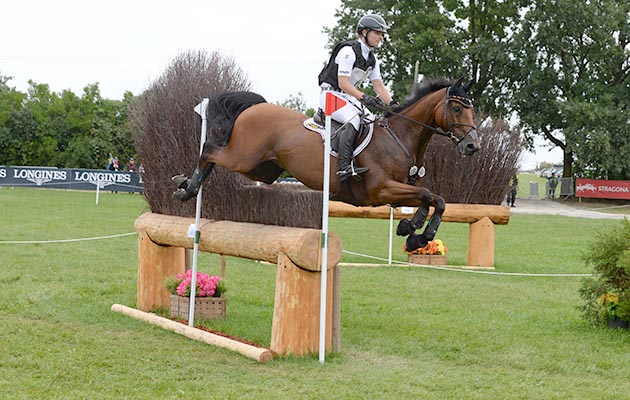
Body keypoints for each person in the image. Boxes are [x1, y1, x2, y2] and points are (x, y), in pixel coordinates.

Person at [318, 14, 396, 182]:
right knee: (353, 121)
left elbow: (379, 86)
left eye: (382, 34)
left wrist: (392, 104)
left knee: (372, 121)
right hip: (331, 94)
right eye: (377, 33)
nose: (381, 37)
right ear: (364, 32)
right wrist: (363, 97)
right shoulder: (348, 51)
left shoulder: (372, 59)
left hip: (347, 97)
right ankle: (344, 167)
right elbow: (343, 82)